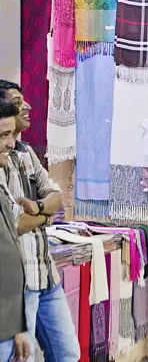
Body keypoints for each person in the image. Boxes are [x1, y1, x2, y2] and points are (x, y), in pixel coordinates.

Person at [0, 81, 80, 361]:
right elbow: (14, 222)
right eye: (17, 102)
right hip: (21, 282)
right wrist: (45, 214)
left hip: (46, 272)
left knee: (68, 353)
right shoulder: (2, 160)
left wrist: (39, 208)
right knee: (24, 356)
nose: (26, 107)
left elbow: (54, 195)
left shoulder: (24, 152)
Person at [0, 101, 31, 362]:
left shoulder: (1, 190)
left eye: (12, 135)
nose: (11, 144)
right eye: (3, 135)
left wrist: (18, 328)